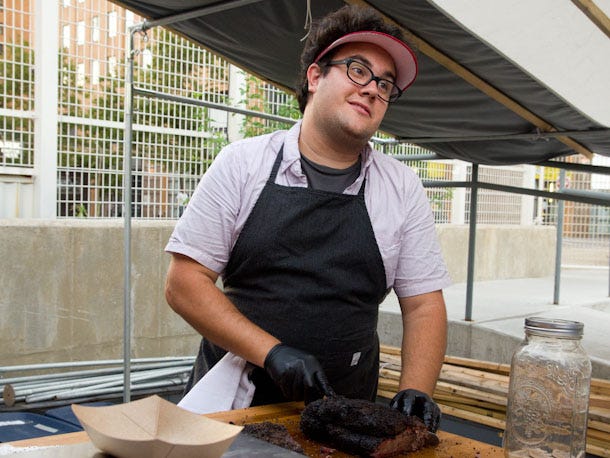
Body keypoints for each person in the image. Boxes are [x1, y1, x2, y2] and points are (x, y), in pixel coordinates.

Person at [164, 5, 451, 432]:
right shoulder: (243, 165)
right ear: (315, 77)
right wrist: (272, 352)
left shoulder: (401, 187)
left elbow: (424, 303)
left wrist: (416, 389)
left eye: (385, 83)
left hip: (346, 412)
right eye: (358, 70)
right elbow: (184, 284)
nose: (372, 89)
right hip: (233, 407)